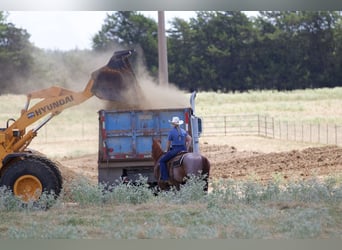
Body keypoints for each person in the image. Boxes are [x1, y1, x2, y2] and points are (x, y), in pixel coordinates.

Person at [159, 116, 192, 184]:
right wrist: (187, 148)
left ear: (173, 124)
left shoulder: (171, 132)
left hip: (175, 149)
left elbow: (168, 143)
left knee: (162, 161)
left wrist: (167, 150)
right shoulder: (183, 131)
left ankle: (165, 178)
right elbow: (190, 139)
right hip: (183, 149)